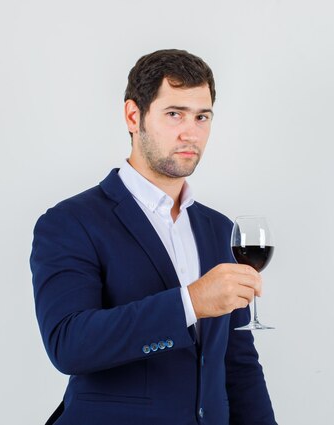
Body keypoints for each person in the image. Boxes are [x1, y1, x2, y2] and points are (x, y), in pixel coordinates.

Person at [30, 49, 277, 425]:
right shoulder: (70, 222)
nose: (190, 132)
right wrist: (190, 303)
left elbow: (237, 361)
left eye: (202, 117)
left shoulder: (220, 229)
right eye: (174, 113)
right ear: (134, 116)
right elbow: (69, 344)